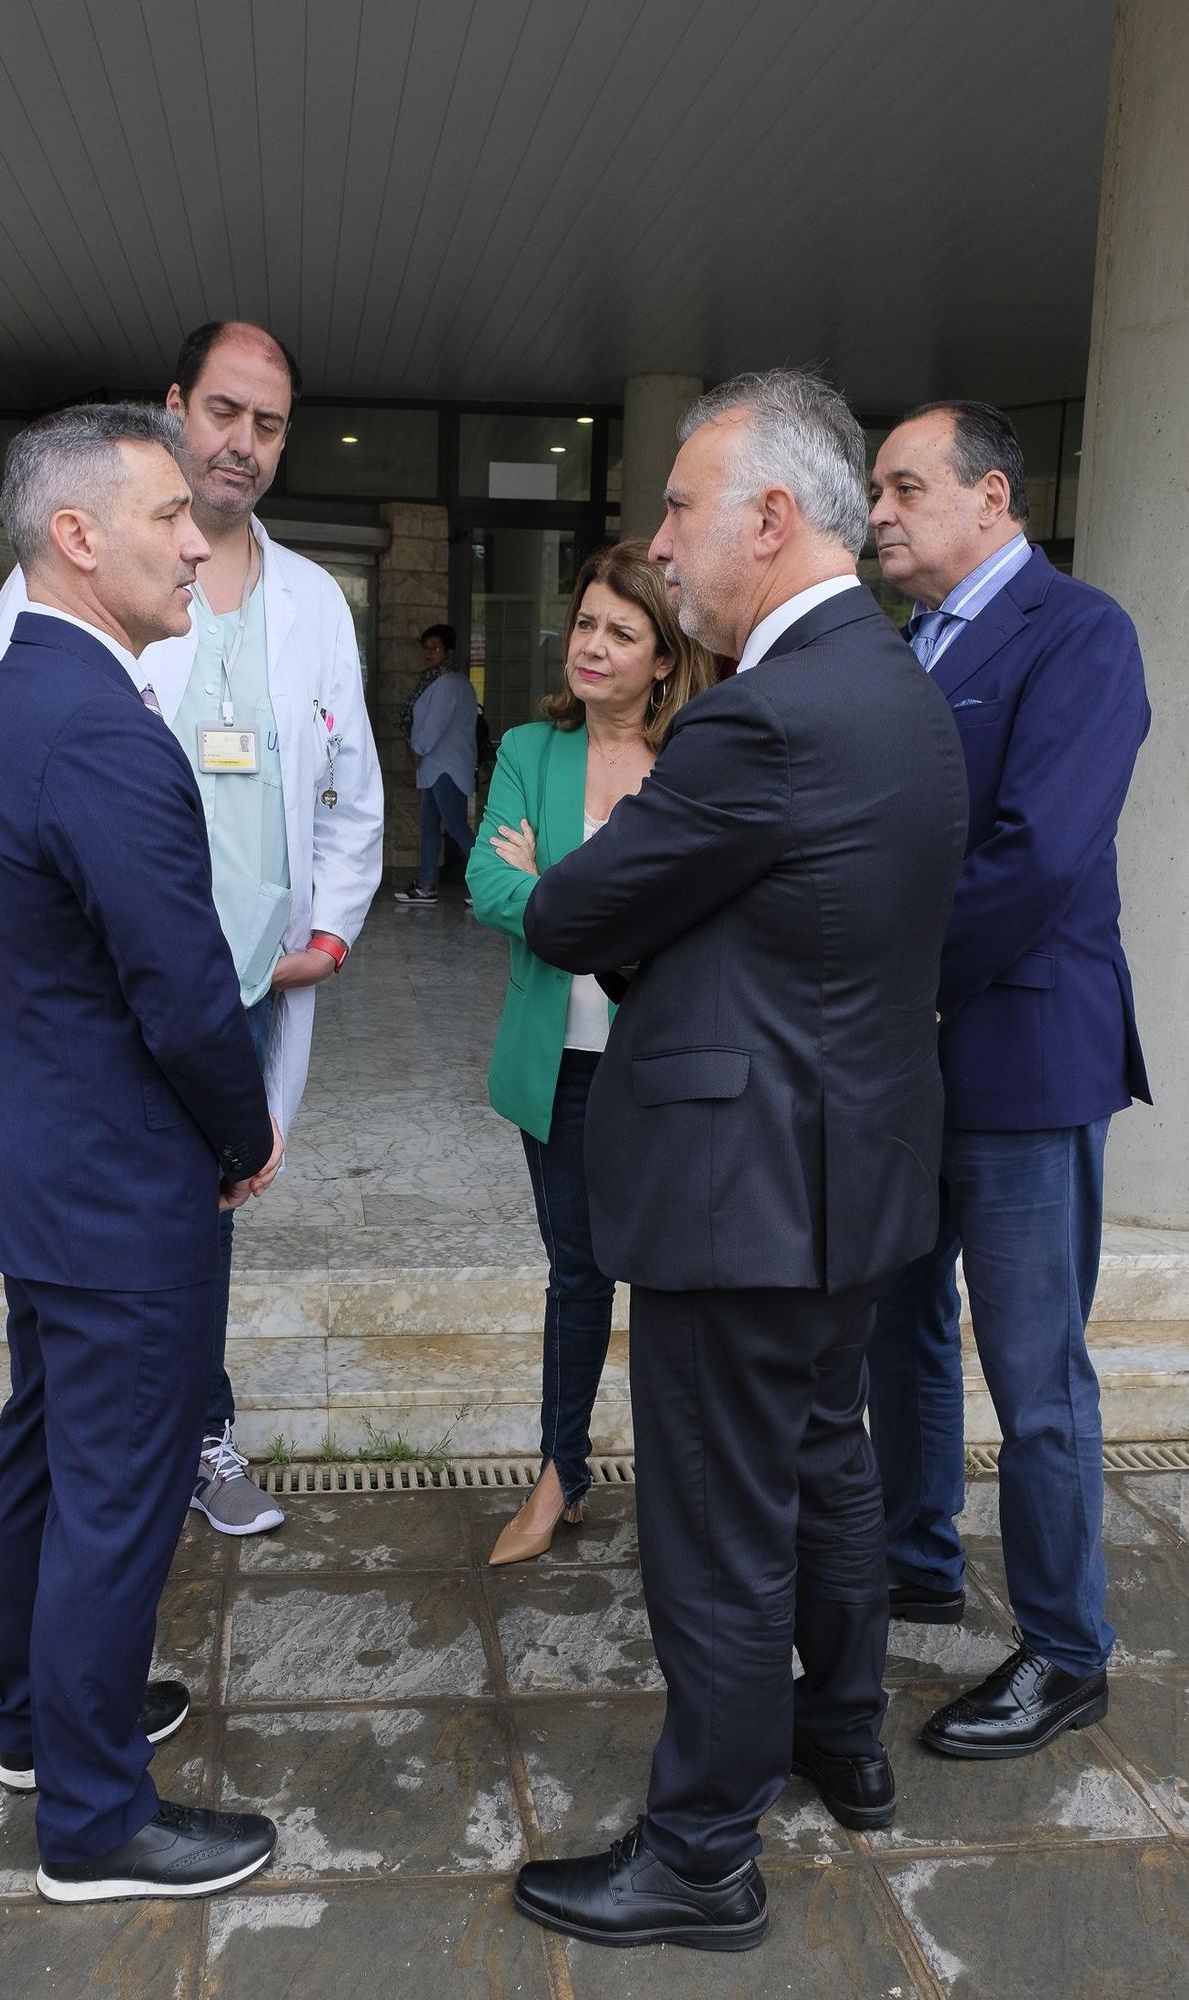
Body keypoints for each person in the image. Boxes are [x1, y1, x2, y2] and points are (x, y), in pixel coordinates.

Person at [510, 371, 968, 1953]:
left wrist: (637, 908)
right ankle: (840, 1742)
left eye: (680, 508)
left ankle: (700, 1851)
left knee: (713, 1520)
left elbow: (569, 913)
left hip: (739, 1190)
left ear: (769, 520)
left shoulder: (764, 712)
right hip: (851, 1178)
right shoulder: (899, 683)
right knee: (824, 1460)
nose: (659, 540)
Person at [0, 320, 385, 1536]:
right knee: (113, 1244)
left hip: (247, 977)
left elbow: (351, 789)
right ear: (172, 408)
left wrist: (330, 937)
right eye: (222, 413)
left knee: (200, 1220)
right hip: (112, 985)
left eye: (268, 424)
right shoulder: (67, 589)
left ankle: (198, 1434)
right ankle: (114, 1465)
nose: (241, 444)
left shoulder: (311, 600)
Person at [0, 402, 283, 1901]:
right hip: (118, 1185)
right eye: (166, 517)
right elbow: (180, 981)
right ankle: (91, 1820)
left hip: (45, 1170)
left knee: (44, 1462)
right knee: (113, 1495)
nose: (196, 540)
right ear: (77, 539)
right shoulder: (91, 720)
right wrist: (243, 1131)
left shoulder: (17, 690)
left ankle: (42, 1722)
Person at [866, 401, 1151, 1756]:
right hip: (911, 1066)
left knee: (1033, 1372)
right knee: (899, 1327)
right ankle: (914, 1558)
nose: (878, 511)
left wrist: (892, 978)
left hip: (1022, 1059)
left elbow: (1035, 857)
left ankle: (1064, 1649)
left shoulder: (1080, 634)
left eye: (902, 487)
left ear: (989, 500)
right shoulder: (905, 643)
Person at [467, 540, 713, 1565]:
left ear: (663, 656)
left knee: (669, 1277)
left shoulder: (695, 757)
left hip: (662, 1068)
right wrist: (604, 911)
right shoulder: (529, 747)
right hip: (556, 1065)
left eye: (621, 632)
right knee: (577, 1275)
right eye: (583, 625)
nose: (593, 648)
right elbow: (485, 882)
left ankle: (687, 1482)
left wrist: (557, 896)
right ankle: (559, 1472)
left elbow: (696, 914)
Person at [394, 621, 478, 905]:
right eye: (426, 648)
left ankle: (491, 883)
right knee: (429, 827)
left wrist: (418, 748)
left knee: (456, 827)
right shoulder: (435, 681)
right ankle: (426, 884)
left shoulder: (449, 683)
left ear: (448, 651)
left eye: (436, 648)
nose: (429, 653)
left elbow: (435, 724)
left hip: (446, 767)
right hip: (433, 767)